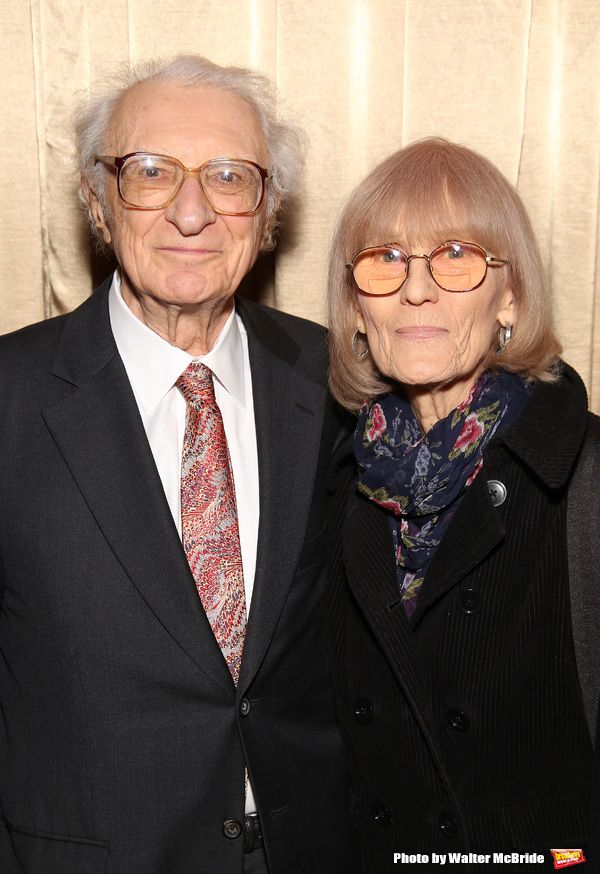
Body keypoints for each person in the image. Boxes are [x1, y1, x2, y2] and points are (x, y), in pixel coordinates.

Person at [0, 55, 361, 874]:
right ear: (98, 200)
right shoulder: (11, 400)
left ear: (267, 214)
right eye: (152, 172)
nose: (191, 212)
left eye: (230, 176)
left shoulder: (339, 381)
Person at [326, 138, 599, 870]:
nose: (417, 290)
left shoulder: (585, 480)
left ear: (509, 295)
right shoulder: (328, 480)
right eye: (384, 258)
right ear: (356, 307)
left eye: (456, 254)